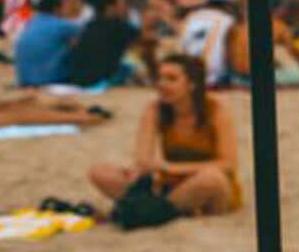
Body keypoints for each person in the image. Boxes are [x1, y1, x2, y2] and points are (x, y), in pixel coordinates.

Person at [86, 52, 243, 217]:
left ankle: (153, 209)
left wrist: (171, 168)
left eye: (172, 79)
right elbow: (143, 159)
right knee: (99, 172)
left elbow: (228, 164)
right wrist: (141, 171)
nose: (162, 84)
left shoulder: (216, 110)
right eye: (160, 78)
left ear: (192, 84)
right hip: (170, 184)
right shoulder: (155, 109)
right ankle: (165, 209)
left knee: (212, 179)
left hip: (206, 183)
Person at [12, 0, 91, 89]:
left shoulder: (31, 23)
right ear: (56, 9)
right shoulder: (62, 26)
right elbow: (90, 34)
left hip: (24, 79)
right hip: (50, 79)